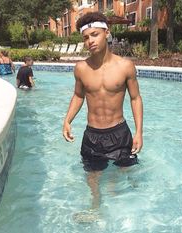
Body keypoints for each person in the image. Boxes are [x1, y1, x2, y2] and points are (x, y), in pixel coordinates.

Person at [63, 12, 143, 210]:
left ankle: (128, 210)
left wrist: (139, 132)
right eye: (86, 37)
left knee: (126, 176)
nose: (90, 41)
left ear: (107, 32)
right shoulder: (81, 68)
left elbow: (135, 98)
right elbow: (78, 96)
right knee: (92, 178)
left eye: (95, 34)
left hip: (119, 133)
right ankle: (95, 207)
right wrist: (67, 120)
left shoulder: (125, 66)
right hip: (92, 135)